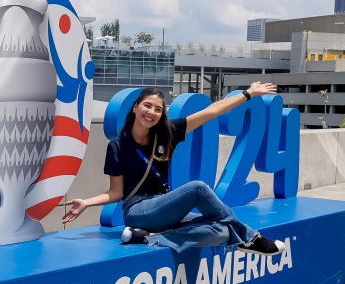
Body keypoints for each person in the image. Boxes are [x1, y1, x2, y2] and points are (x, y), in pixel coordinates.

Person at [61, 84, 286, 255]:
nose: (151, 112)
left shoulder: (167, 133)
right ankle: (251, 237)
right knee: (198, 188)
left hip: (164, 206)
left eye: (158, 109)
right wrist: (87, 203)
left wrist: (248, 93)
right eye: (147, 106)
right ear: (135, 107)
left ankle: (150, 238)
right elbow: (116, 192)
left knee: (224, 231)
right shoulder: (118, 146)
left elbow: (211, 112)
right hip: (138, 210)